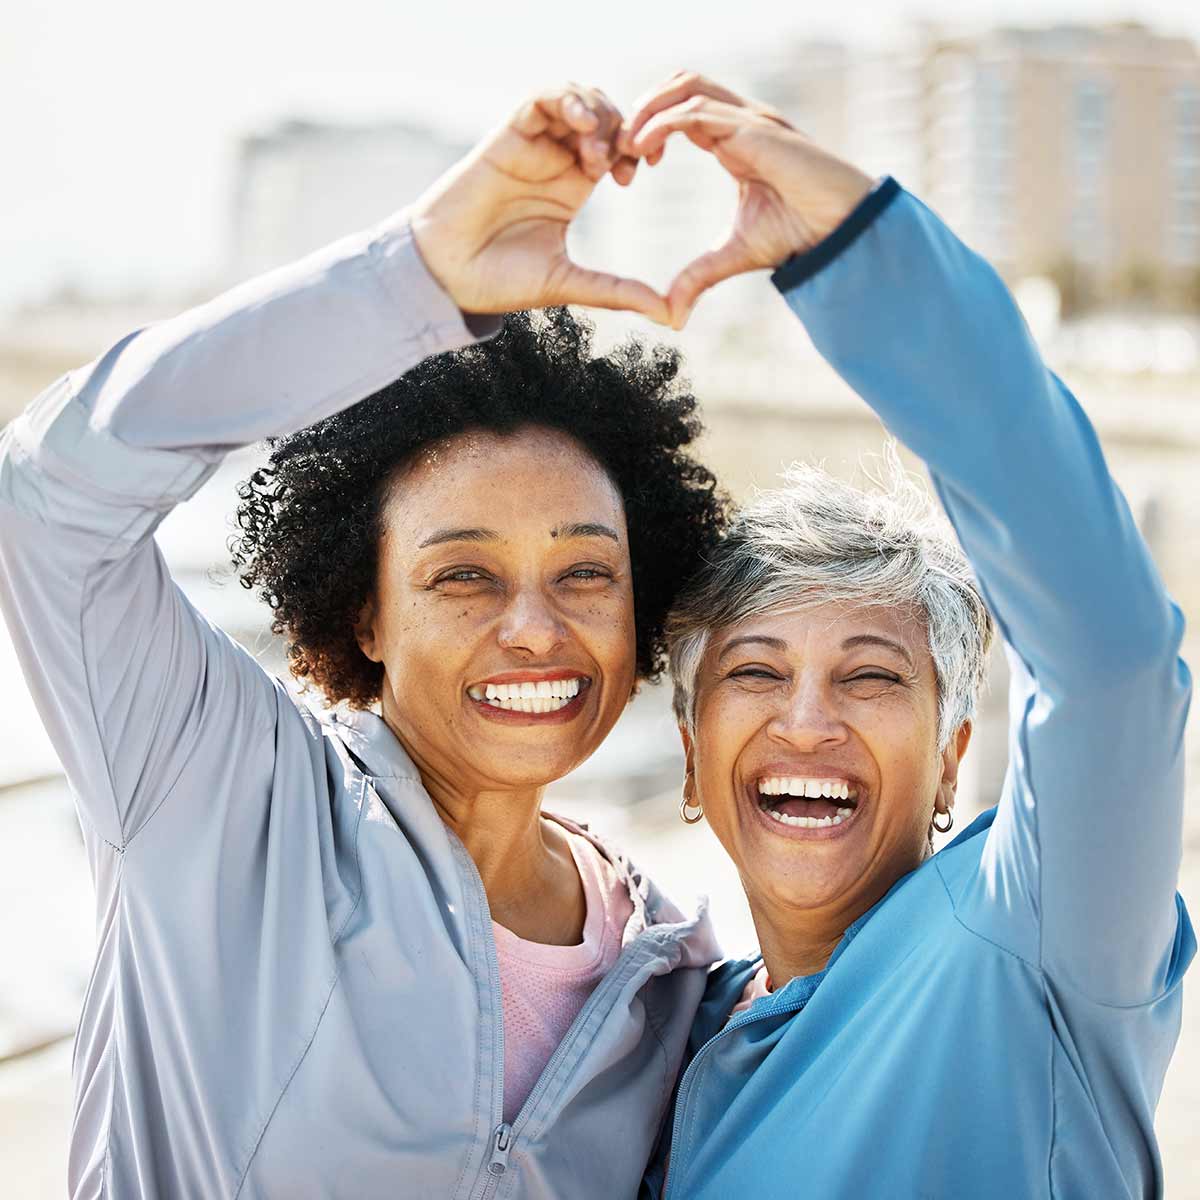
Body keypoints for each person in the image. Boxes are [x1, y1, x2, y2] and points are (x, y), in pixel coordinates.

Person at [0, 85, 740, 1199]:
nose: (535, 629)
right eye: (463, 576)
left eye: (585, 571)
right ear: (366, 612)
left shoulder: (670, 978)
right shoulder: (223, 796)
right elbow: (51, 498)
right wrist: (417, 277)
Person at [626, 74, 1195, 1197]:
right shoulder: (669, 1040)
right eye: (754, 671)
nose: (807, 718)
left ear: (950, 758)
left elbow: (1114, 665)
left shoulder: (1026, 939)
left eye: (872, 675)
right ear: (689, 753)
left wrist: (857, 258)